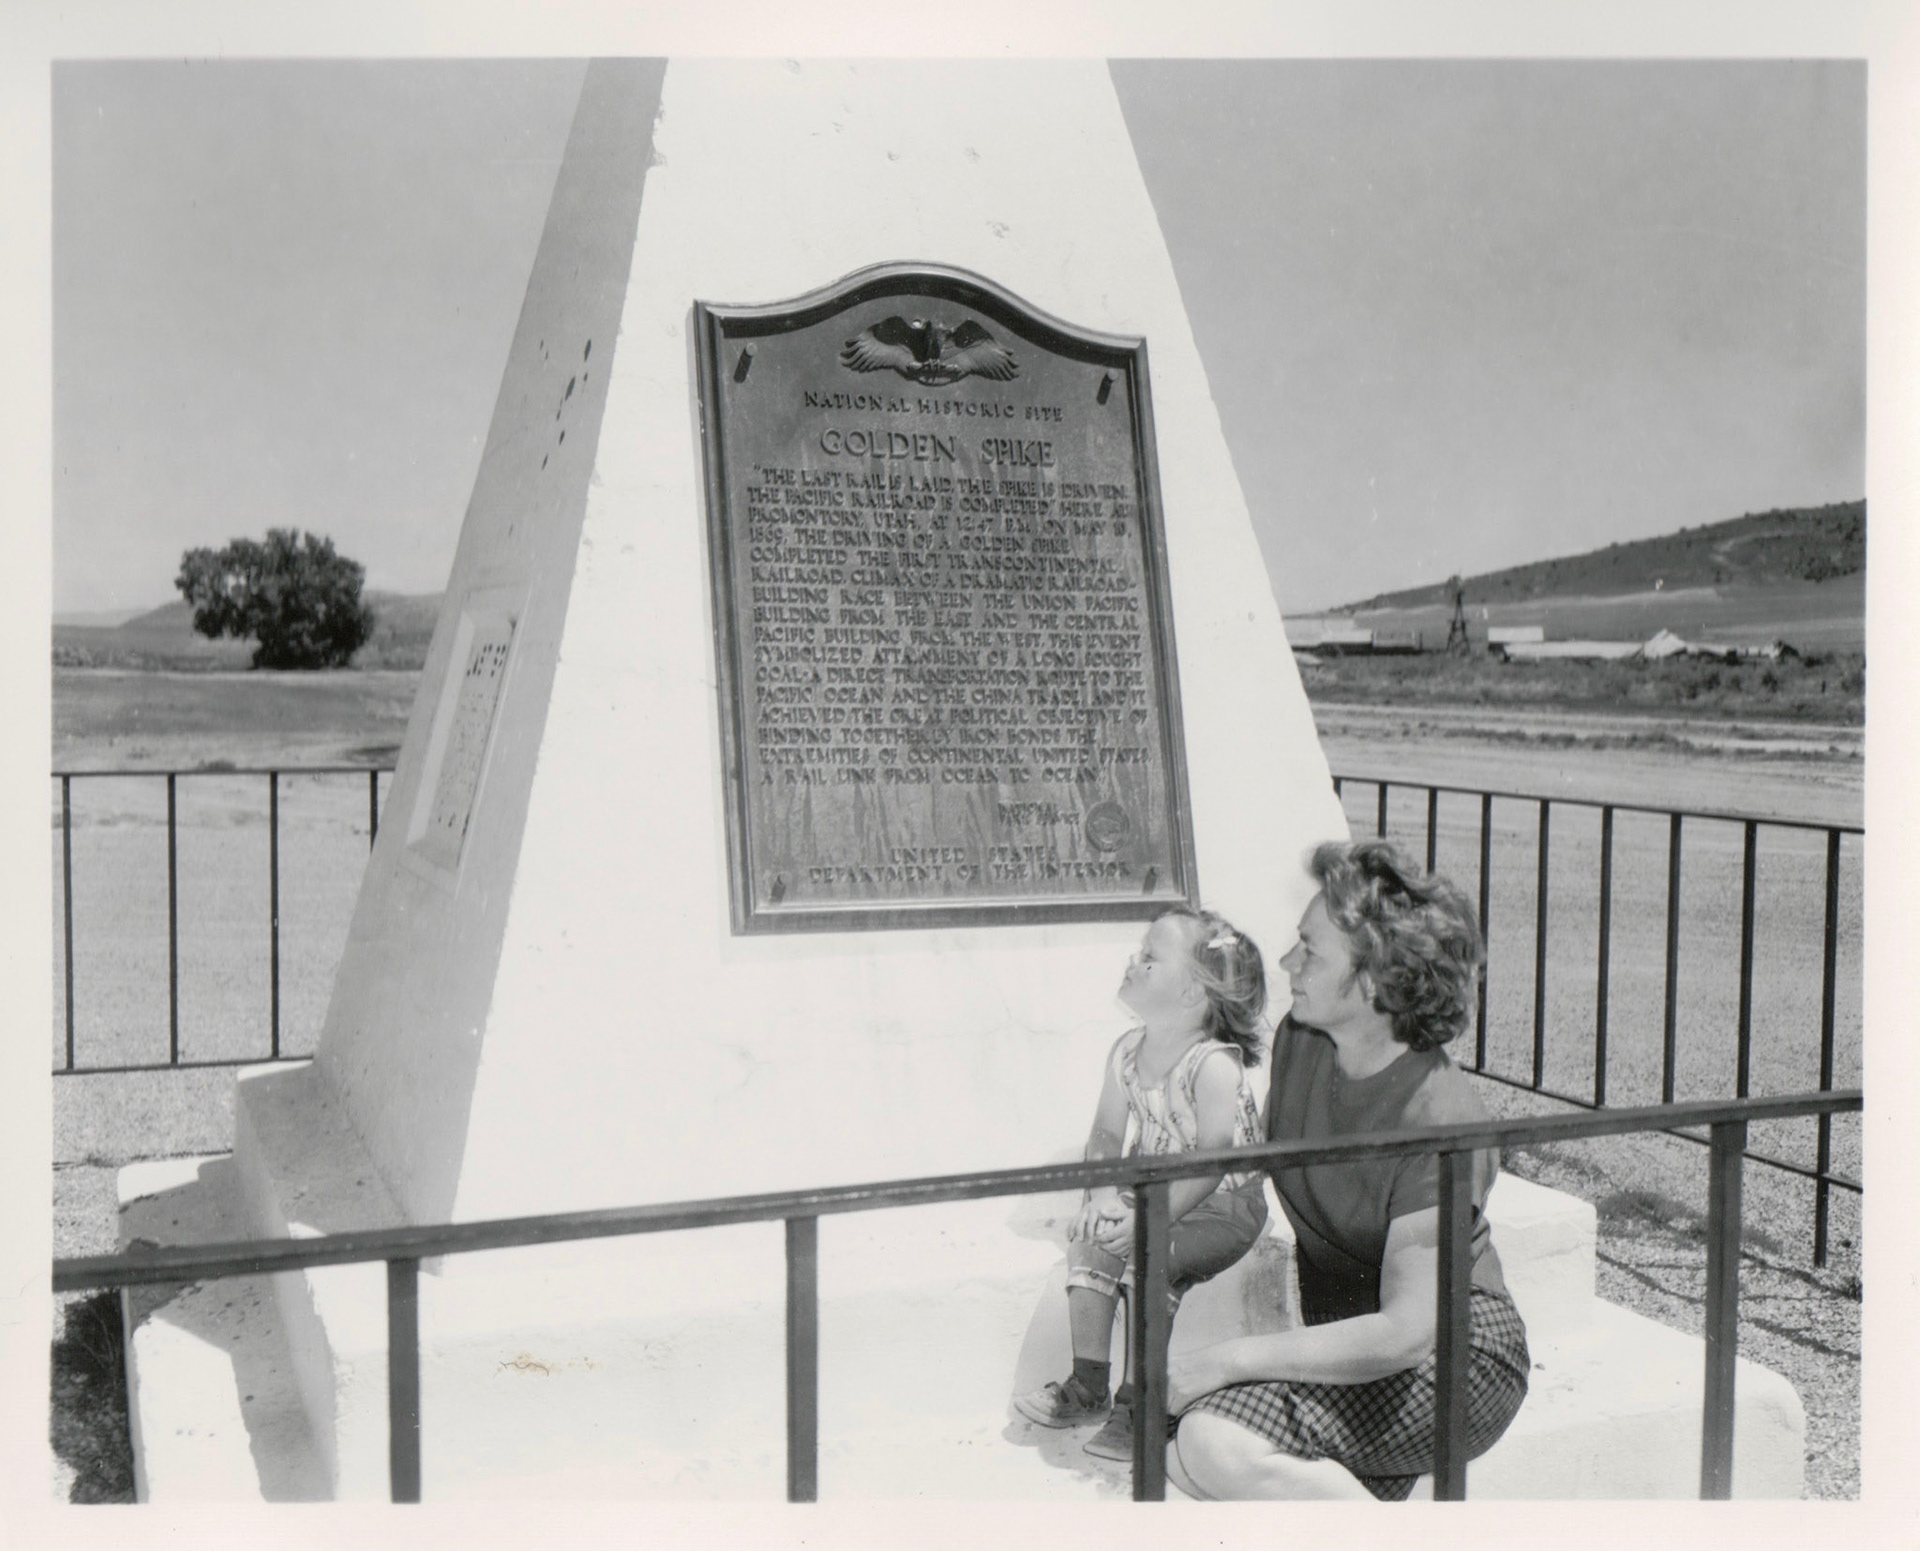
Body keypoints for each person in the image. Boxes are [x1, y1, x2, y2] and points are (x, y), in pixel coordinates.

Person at [1165, 839, 1530, 1501]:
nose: (1285, 962)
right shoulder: (1302, 1041)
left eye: (1309, 949)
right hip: (1346, 1342)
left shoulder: (1440, 1117)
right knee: (1187, 1456)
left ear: (1372, 980)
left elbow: (1404, 1331)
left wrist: (1223, 1362)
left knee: (1211, 1440)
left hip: (1455, 1355)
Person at [1014, 907, 1271, 1462]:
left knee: (1149, 1254)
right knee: (1089, 1238)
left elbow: (1210, 1163)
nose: (1134, 962)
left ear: (1190, 996)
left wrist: (1146, 1219)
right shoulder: (1127, 1052)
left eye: (1150, 959)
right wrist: (1104, 1197)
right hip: (1153, 1191)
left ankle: (1142, 1406)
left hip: (1223, 1204)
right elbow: (1107, 1132)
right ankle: (1088, 1385)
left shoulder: (1212, 1066)